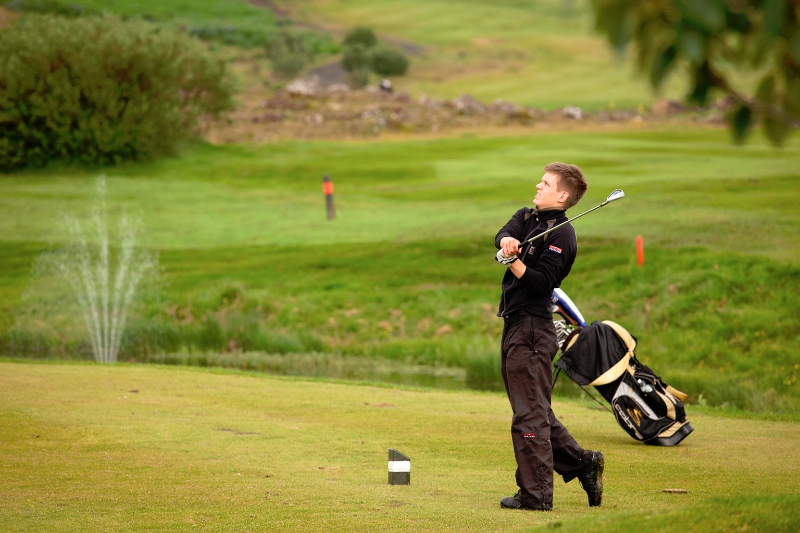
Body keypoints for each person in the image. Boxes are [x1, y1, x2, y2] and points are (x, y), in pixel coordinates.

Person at [494, 162, 604, 511]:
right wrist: (507, 243)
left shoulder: (562, 235)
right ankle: (582, 463)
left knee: (529, 416)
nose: (538, 187)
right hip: (514, 324)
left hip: (533, 329)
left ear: (562, 195)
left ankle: (536, 495)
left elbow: (542, 283)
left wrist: (512, 262)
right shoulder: (527, 217)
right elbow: (503, 233)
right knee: (533, 409)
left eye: (545, 183)